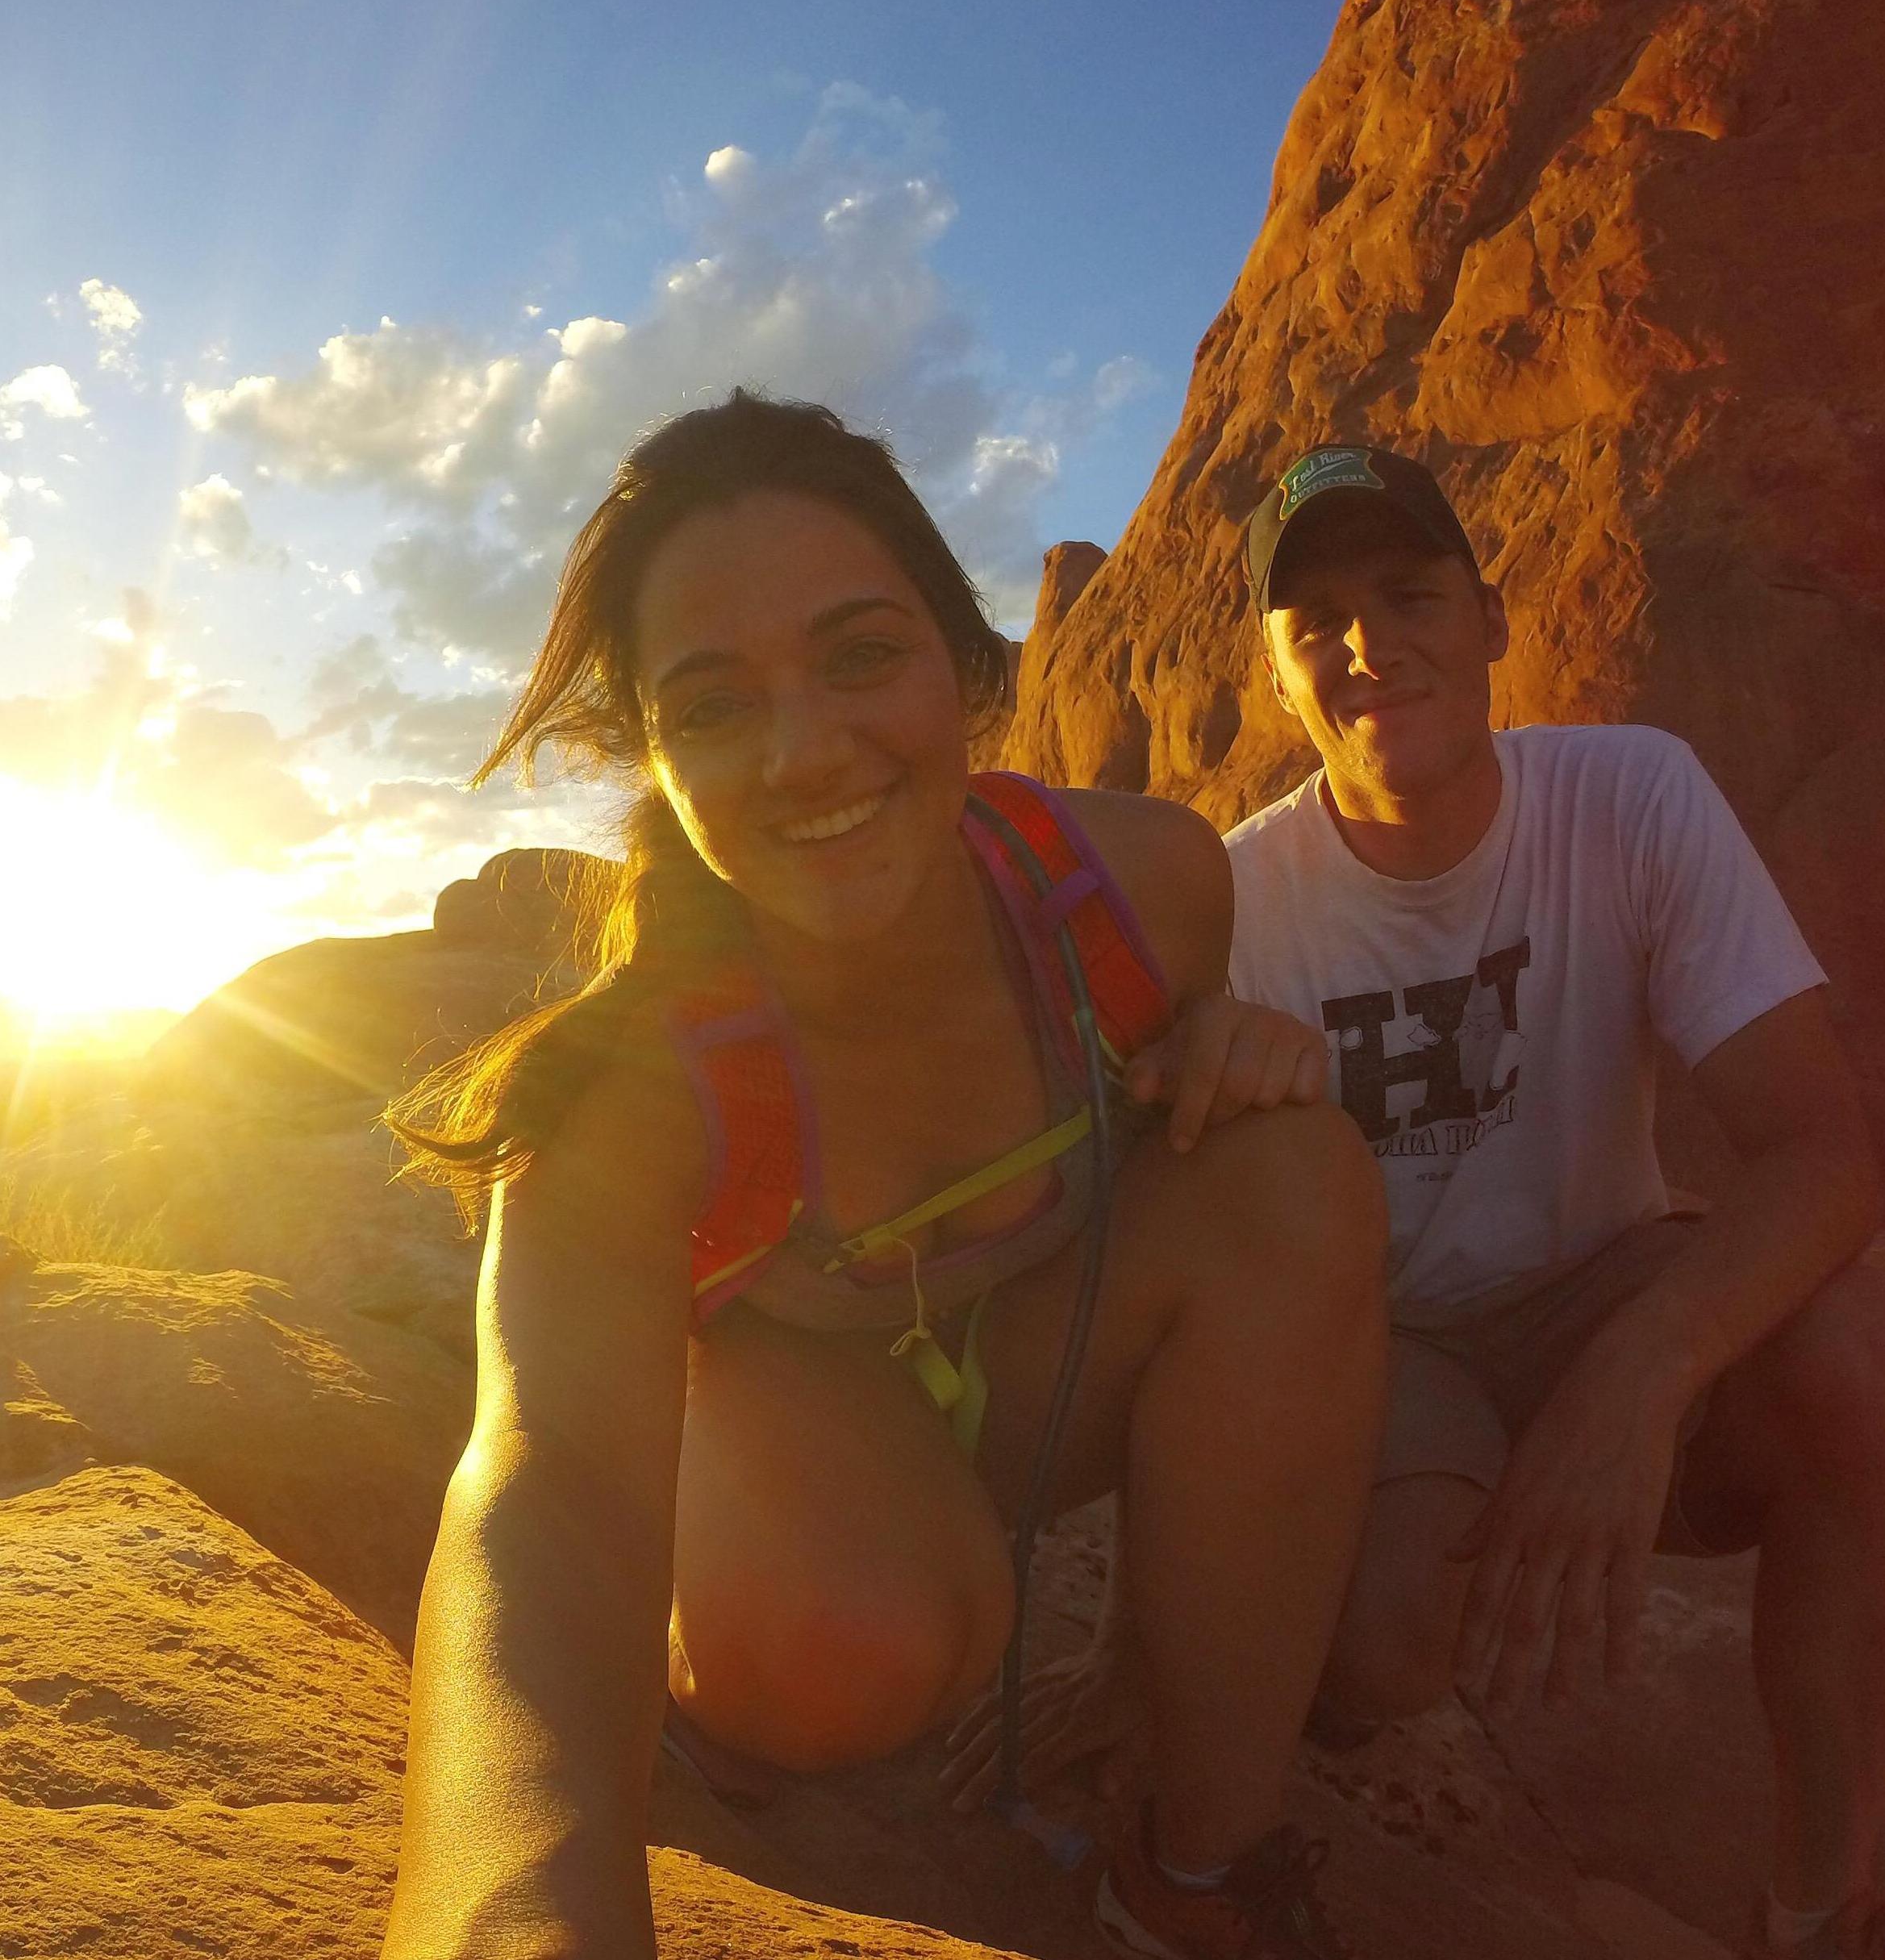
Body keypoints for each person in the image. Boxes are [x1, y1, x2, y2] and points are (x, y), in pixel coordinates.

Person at [376, 392, 1389, 1960]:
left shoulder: (1142, 888)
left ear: (968, 670)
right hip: (806, 1442)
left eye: (859, 657)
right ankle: (740, 1659)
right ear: (655, 757)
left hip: (1044, 1379)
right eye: (715, 705)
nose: (803, 752)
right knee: (849, 1650)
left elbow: (1212, 1181)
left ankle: (1192, 1874)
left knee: (1299, 1168)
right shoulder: (636, 1090)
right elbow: (546, 1494)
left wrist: (1231, 1054)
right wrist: (513, 1912)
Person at [949, 444, 1885, 1960]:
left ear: (1492, 617)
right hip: (1395, 1350)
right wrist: (1138, 1653)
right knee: (1387, 1647)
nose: (1366, 644)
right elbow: (1171, 1272)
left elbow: (1824, 1154)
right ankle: (1303, 1674)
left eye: (1407, 594)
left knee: (1855, 1363)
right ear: (1276, 679)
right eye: (1315, 622)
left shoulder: (1629, 795)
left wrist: (1633, 1384)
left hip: (1604, 1279)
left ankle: (1819, 1907)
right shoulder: (1238, 902)